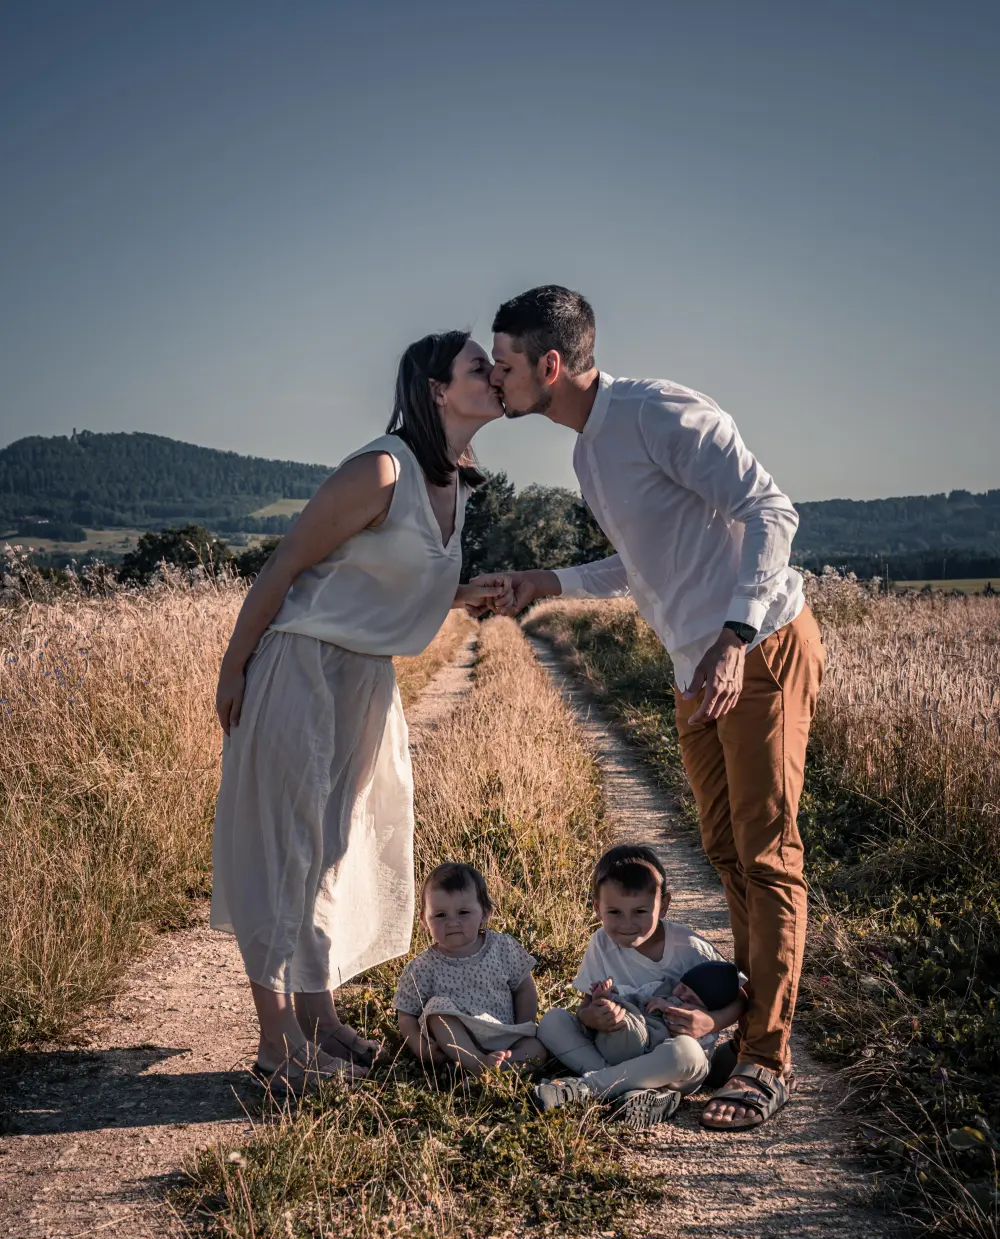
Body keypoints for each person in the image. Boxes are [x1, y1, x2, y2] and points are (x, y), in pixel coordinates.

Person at [484, 286, 824, 1131]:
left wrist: (736, 636)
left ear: (551, 365)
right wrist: (546, 582)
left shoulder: (660, 413)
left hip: (759, 649)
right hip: (695, 667)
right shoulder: (587, 454)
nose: (496, 378)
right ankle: (740, 1019)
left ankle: (766, 1061)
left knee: (767, 852)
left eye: (506, 364)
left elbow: (771, 510)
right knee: (722, 846)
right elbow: (638, 563)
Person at [211, 333, 506, 1094]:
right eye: (481, 366)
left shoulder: (458, 485)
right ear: (437, 388)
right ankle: (277, 1047)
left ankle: (317, 1015)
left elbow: (378, 584)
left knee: (335, 845)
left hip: (363, 677)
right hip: (299, 665)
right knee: (286, 851)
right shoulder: (381, 468)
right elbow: (288, 565)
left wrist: (464, 593)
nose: (497, 375)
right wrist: (234, 665)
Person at [533, 845, 745, 1127]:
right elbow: (586, 1007)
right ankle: (638, 1089)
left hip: (672, 1057)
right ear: (597, 908)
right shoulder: (601, 943)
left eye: (640, 911)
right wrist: (591, 1016)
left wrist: (710, 1022)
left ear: (664, 905)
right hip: (617, 1044)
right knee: (552, 1021)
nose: (627, 924)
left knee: (685, 1053)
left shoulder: (689, 946)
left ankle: (586, 1088)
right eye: (614, 912)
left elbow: (742, 997)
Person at [393, 861, 548, 1077]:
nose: (452, 922)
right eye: (440, 915)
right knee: (436, 1010)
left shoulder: (502, 947)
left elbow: (524, 987)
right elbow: (406, 1015)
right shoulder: (422, 967)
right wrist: (424, 1050)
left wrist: (523, 1028)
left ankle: (502, 1071)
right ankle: (477, 1064)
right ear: (424, 920)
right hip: (459, 1042)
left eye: (463, 912)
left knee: (537, 1049)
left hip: (505, 1032)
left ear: (485, 913)